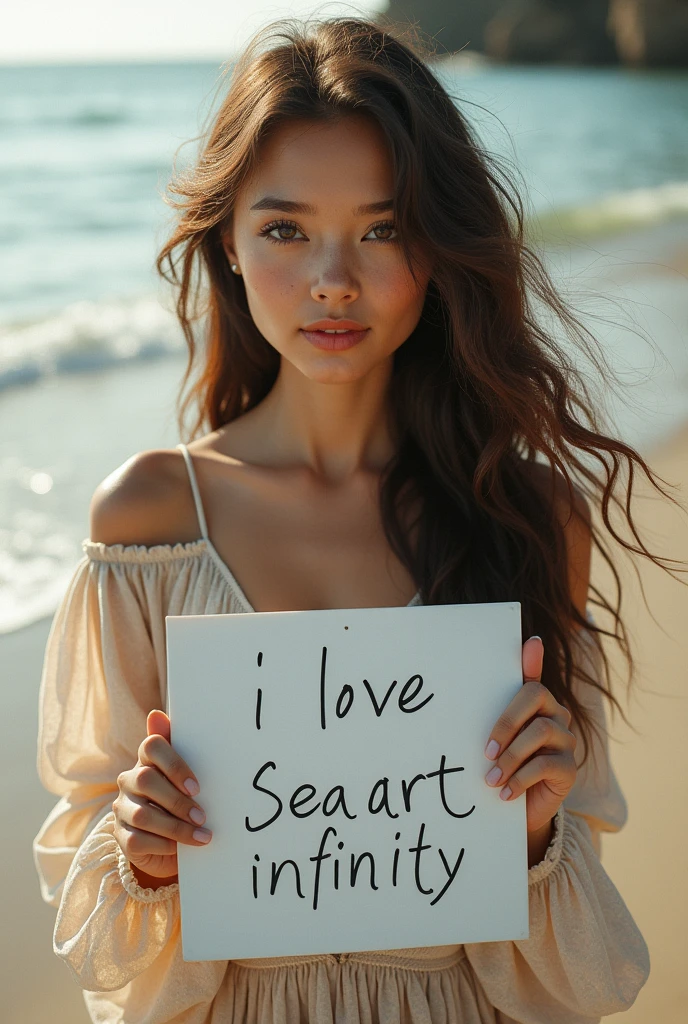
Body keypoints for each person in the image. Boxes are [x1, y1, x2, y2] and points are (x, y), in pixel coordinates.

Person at [34, 15, 668, 1024]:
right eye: (286, 229)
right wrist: (141, 853)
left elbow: (573, 976)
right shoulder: (153, 519)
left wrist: (538, 836)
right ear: (229, 245)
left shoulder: (530, 515)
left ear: (438, 249)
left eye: (384, 229)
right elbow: (104, 928)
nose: (335, 277)